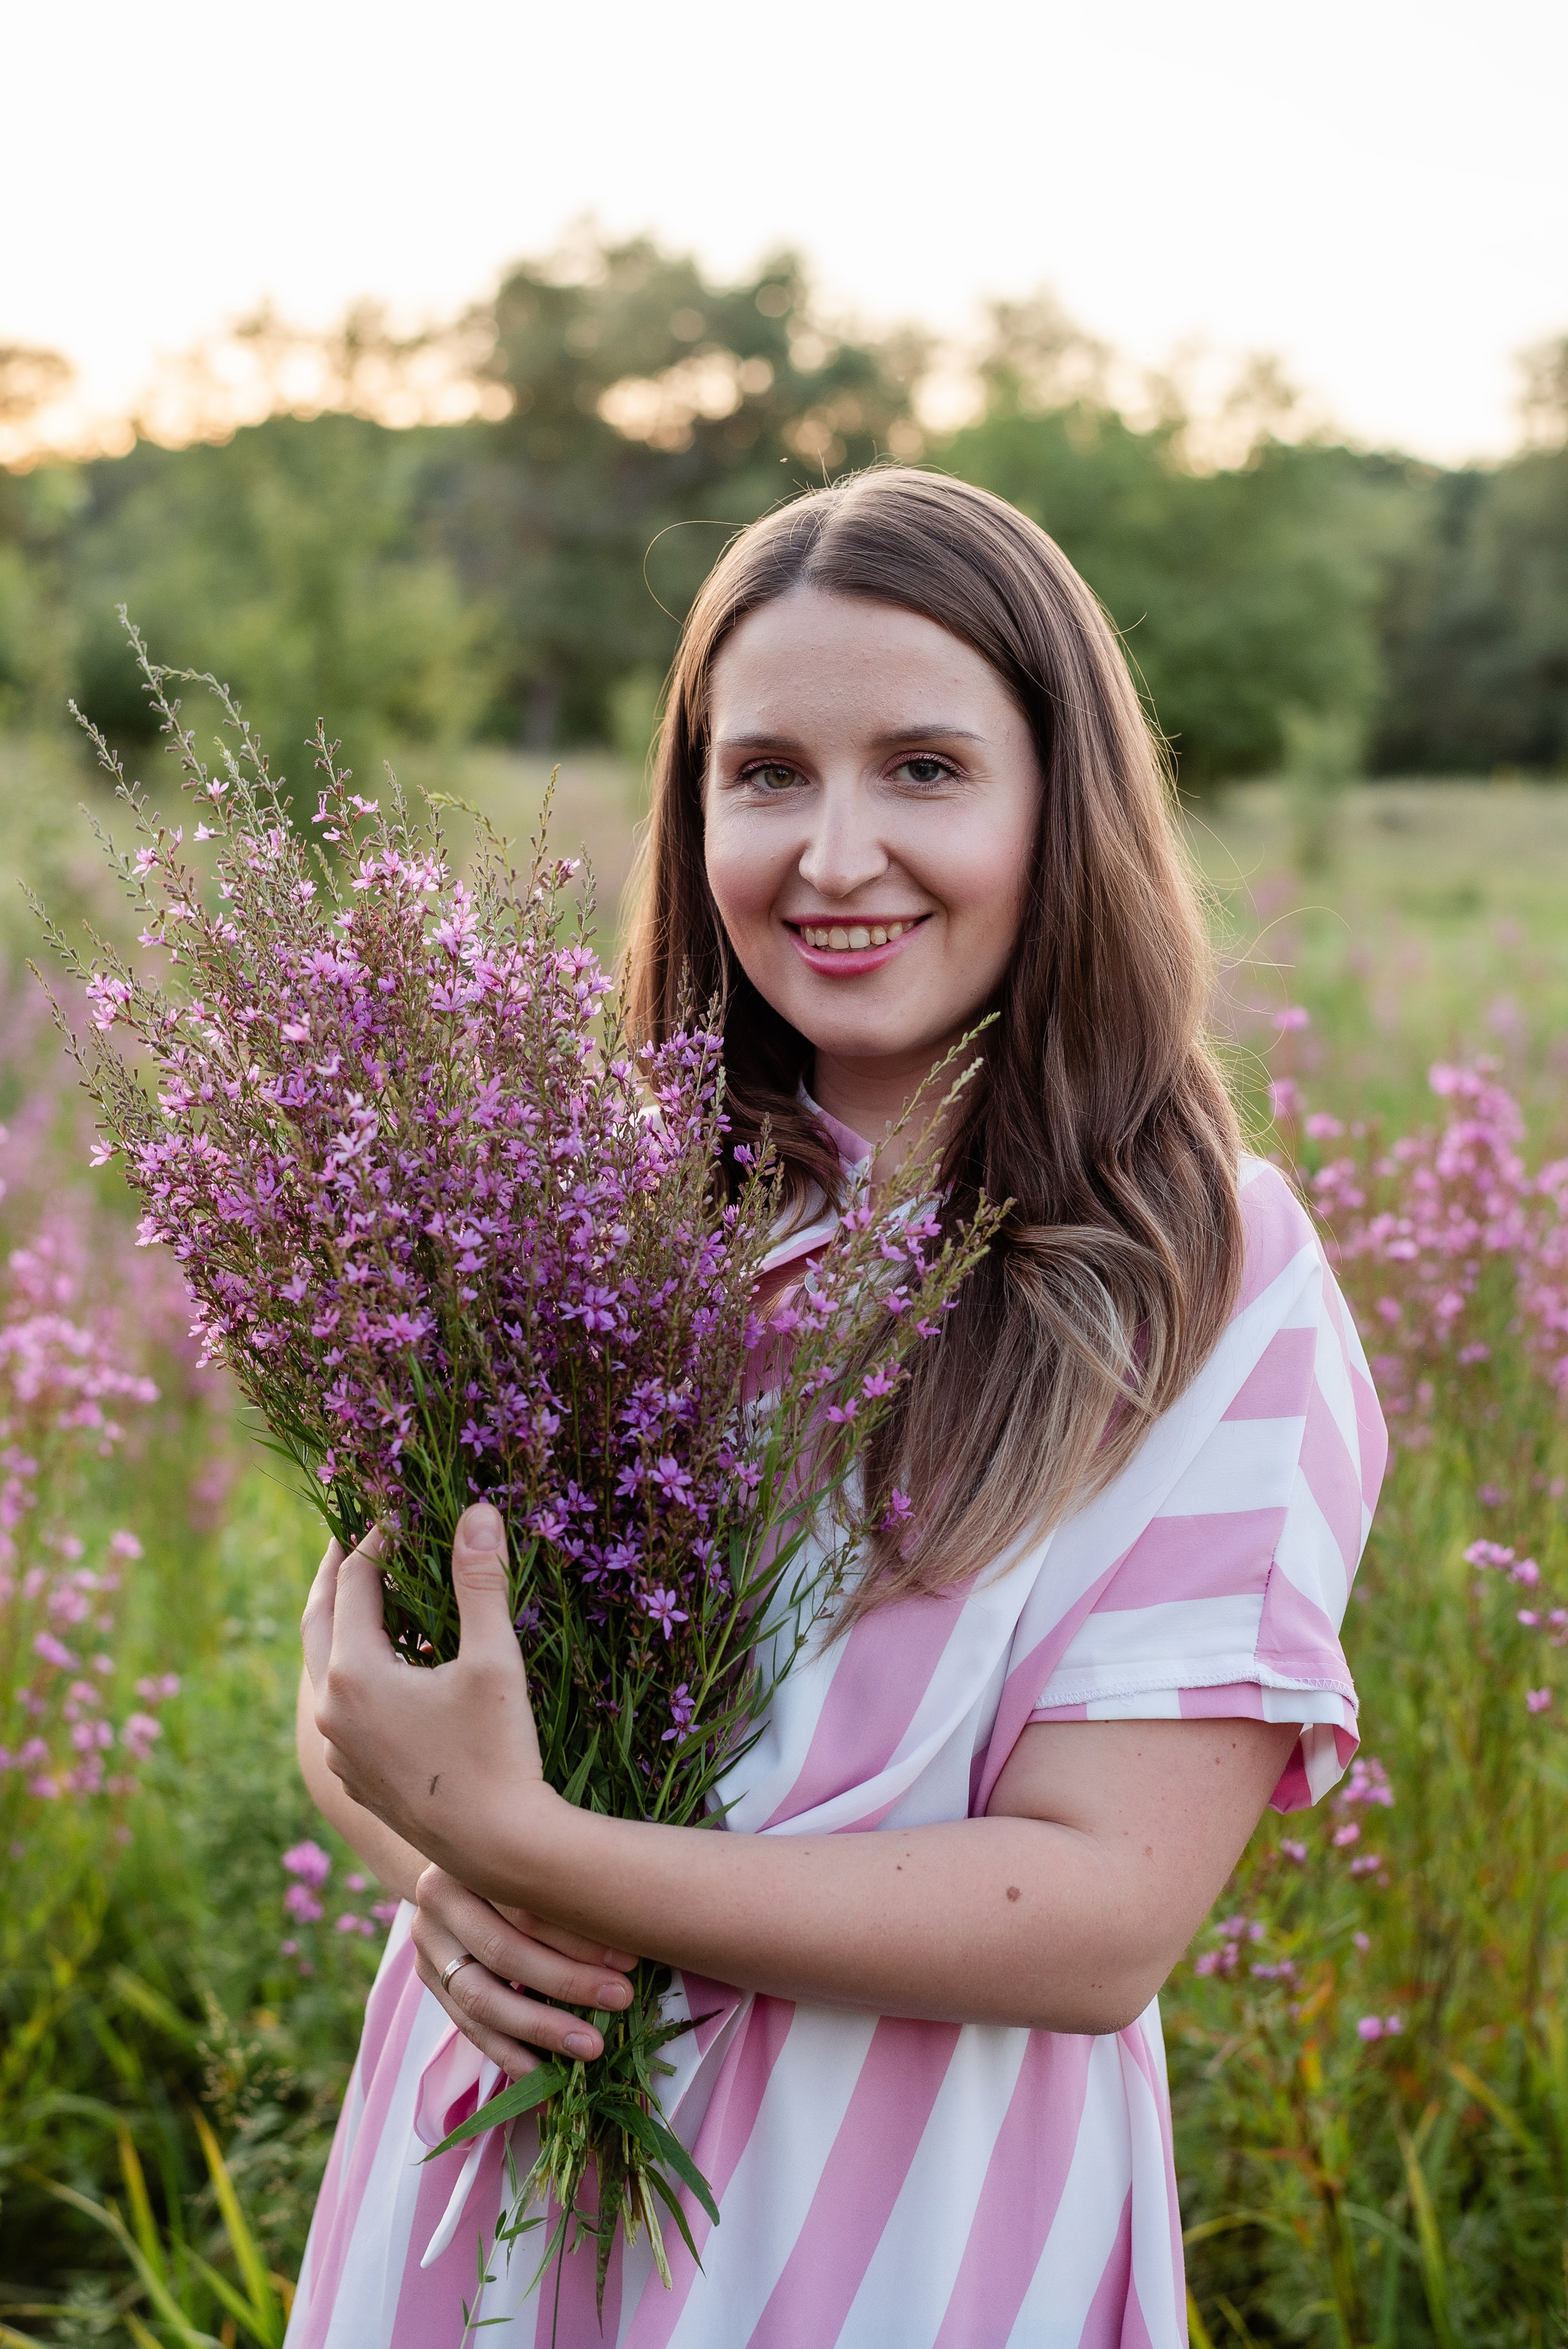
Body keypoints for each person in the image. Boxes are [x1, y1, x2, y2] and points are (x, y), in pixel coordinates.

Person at [287, 468, 1385, 2348]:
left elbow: (1099, 1911)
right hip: (493, 2183)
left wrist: (530, 1854)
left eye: (928, 770)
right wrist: (443, 1877)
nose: (836, 851)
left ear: (1065, 800)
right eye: (769, 772)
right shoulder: (582, 1191)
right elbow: (374, 1707)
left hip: (908, 2226)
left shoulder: (1204, 1276)